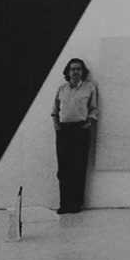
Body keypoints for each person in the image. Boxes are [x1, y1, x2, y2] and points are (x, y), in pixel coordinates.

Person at [51, 58, 99, 214]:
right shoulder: (62, 88)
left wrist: (89, 123)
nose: (75, 72)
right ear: (68, 72)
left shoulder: (89, 87)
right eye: (73, 69)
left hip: (80, 130)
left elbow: (93, 109)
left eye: (79, 69)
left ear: (83, 72)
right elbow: (55, 110)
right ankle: (64, 203)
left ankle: (76, 204)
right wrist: (56, 126)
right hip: (63, 130)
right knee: (63, 168)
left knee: (78, 167)